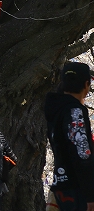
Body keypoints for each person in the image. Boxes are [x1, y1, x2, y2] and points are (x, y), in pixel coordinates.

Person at [45, 61, 94, 211]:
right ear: (86, 84)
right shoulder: (75, 111)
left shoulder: (55, 108)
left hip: (61, 182)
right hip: (77, 188)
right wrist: (90, 195)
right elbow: (82, 154)